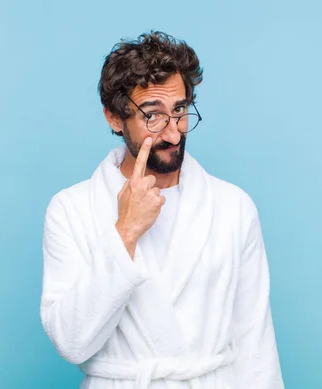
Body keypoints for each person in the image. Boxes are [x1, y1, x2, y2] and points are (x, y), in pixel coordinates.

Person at [40, 31, 284, 389]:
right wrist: (125, 232)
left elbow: (256, 344)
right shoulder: (71, 210)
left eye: (180, 110)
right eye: (153, 116)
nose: (173, 134)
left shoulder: (233, 207)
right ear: (114, 117)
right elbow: (71, 342)